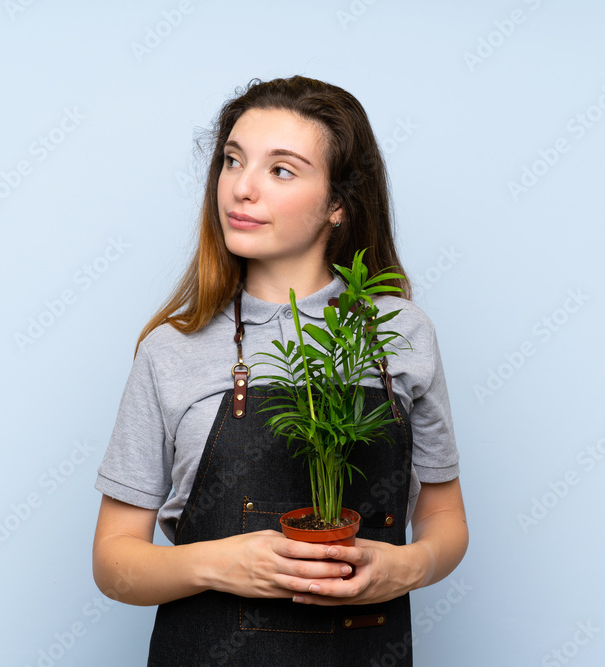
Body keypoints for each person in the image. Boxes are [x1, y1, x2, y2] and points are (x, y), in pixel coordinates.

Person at [92, 75, 468, 666]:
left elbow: (444, 517)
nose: (241, 188)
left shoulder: (401, 331)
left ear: (338, 203)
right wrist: (219, 563)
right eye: (232, 161)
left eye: (281, 170)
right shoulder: (172, 349)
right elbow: (114, 563)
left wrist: (404, 566)